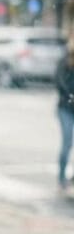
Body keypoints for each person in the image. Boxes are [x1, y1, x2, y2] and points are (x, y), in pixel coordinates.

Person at [55, 36, 74, 191]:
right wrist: (69, 96)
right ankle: (61, 177)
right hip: (65, 109)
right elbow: (59, 82)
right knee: (67, 142)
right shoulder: (65, 61)